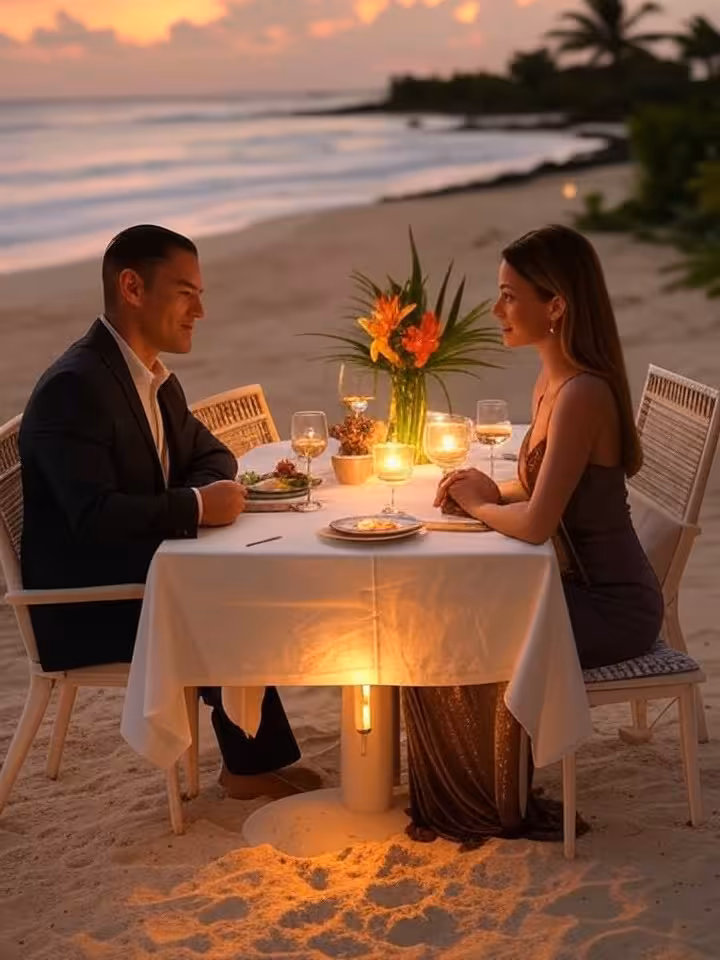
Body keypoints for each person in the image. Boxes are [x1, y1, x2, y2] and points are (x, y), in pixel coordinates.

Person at [402, 224, 664, 846]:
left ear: (556, 305)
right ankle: (484, 788)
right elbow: (548, 490)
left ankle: (490, 800)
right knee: (433, 614)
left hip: (609, 604)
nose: (497, 310)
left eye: (509, 296)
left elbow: (538, 525)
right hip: (563, 586)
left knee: (446, 625)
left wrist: (480, 505)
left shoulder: (582, 395)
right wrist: (493, 494)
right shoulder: (550, 382)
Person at [19, 224, 302, 786]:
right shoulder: (74, 389)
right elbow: (94, 519)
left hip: (138, 570)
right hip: (86, 606)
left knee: (243, 580)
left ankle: (254, 762)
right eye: (185, 291)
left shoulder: (151, 376)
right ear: (131, 287)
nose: (200, 309)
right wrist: (195, 508)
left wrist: (198, 498)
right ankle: (249, 771)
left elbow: (214, 454)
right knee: (230, 594)